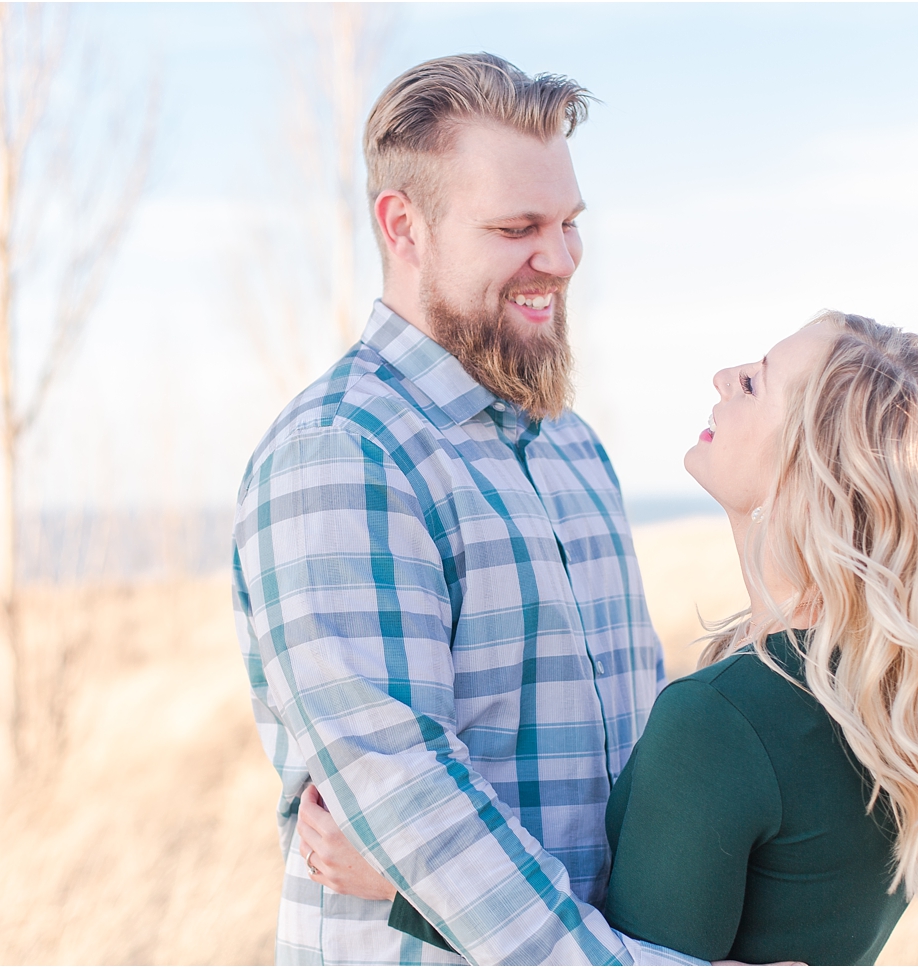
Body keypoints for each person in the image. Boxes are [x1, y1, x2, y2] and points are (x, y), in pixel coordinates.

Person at [305, 312, 918, 965]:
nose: (724, 377)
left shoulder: (725, 718)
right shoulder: (883, 694)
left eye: (757, 383)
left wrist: (405, 887)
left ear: (809, 472)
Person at [231, 54, 698, 964]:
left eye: (568, 224)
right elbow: (412, 801)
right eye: (516, 227)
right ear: (403, 226)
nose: (558, 261)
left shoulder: (571, 444)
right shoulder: (342, 455)